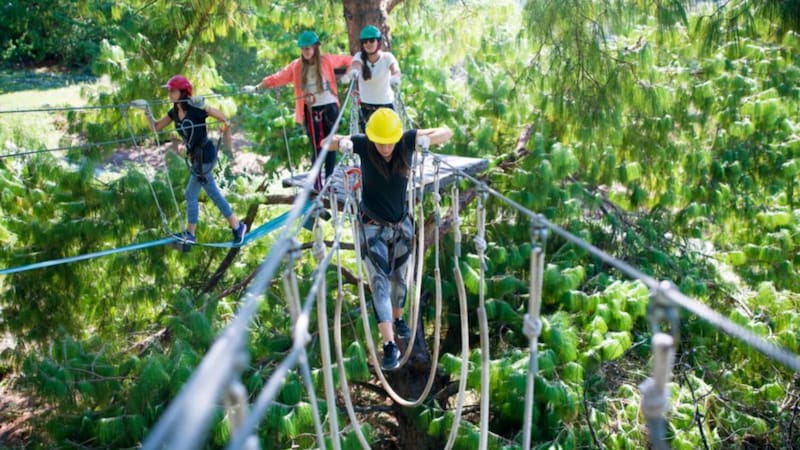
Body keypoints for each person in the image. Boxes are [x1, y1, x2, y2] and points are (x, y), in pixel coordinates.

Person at [329, 108, 453, 370]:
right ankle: (388, 345)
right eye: (380, 141)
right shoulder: (363, 145)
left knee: (400, 280)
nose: (385, 147)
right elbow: (325, 142)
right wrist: (343, 143)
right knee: (379, 283)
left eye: (389, 141)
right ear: (371, 138)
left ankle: (398, 319)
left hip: (401, 226)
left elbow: (446, 132)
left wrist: (426, 140)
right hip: (372, 227)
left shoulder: (406, 141)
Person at [139, 75, 247, 245]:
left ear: (183, 92)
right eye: (169, 90)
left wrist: (205, 106)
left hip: (205, 156)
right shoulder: (174, 112)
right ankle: (236, 226)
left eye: (172, 91)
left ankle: (193, 233)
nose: (169, 93)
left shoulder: (195, 107)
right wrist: (146, 110)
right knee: (208, 193)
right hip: (196, 159)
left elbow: (222, 117)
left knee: (193, 193)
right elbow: (156, 127)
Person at [243, 31, 352, 192]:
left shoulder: (326, 60)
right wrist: (257, 88)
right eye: (303, 49)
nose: (306, 51)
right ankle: (316, 181)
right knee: (317, 147)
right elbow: (277, 77)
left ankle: (329, 180)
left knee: (332, 144)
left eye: (309, 48)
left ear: (315, 47)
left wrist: (348, 75)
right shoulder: (297, 66)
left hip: (330, 108)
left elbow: (349, 60)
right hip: (311, 110)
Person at [344, 25, 401, 132]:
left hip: (386, 107)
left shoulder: (387, 57)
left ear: (378, 42)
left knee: (389, 138)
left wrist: (395, 77)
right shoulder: (359, 57)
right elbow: (355, 65)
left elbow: (395, 69)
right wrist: (352, 73)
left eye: (371, 40)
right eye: (365, 41)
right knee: (369, 142)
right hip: (367, 108)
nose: (368, 44)